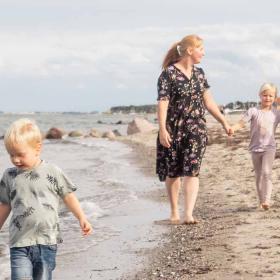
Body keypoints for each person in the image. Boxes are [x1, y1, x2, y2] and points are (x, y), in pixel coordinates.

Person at [0, 118, 92, 280]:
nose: (15, 160)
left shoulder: (52, 171)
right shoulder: (9, 175)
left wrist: (82, 218)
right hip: (19, 243)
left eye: (20, 154)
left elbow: (68, 196)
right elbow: (5, 205)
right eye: (11, 154)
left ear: (37, 148)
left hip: (46, 242)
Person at [156, 34, 231, 224]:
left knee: (192, 170)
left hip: (196, 129)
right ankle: (174, 212)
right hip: (173, 129)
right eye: (201, 49)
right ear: (190, 50)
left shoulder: (200, 74)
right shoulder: (168, 73)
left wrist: (223, 121)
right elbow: (163, 102)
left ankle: (188, 213)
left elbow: (209, 101)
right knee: (173, 172)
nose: (203, 53)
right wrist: (162, 129)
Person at [231, 83, 280, 210]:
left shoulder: (276, 113)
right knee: (258, 175)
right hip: (255, 148)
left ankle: (267, 201)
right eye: (265, 95)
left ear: (275, 97)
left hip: (269, 148)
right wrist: (232, 129)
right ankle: (261, 201)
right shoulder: (253, 111)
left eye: (271, 96)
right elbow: (241, 123)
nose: (267, 98)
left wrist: (279, 101)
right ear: (260, 95)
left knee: (266, 173)